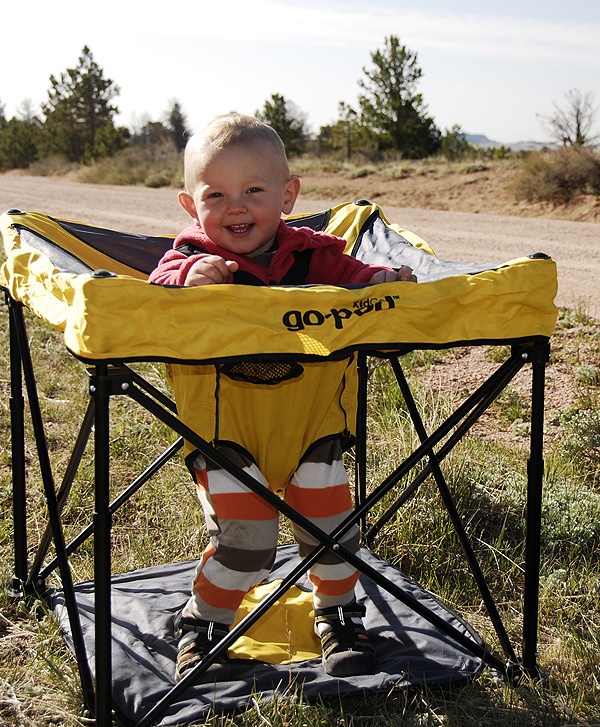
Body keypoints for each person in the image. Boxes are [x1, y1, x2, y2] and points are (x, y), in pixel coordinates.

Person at [149, 114, 416, 682]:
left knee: (334, 532)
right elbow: (155, 291)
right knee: (247, 543)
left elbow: (357, 275)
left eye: (254, 190)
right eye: (215, 194)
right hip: (223, 430)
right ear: (189, 206)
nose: (236, 207)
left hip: (309, 420)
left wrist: (379, 281)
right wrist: (192, 275)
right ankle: (205, 623)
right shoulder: (190, 257)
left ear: (288, 195)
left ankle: (340, 618)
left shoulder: (310, 254)